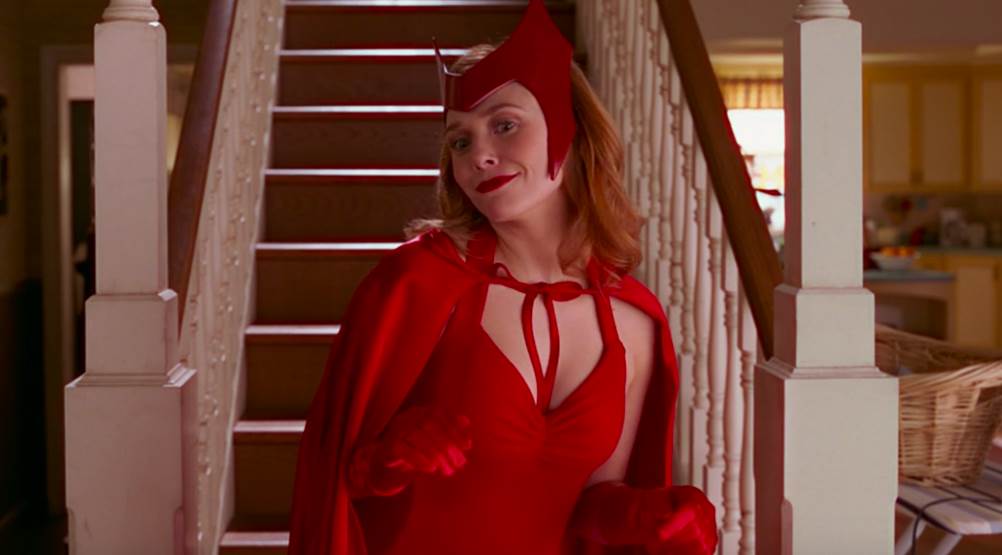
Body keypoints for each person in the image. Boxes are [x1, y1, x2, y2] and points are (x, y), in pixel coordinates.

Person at [287, 1, 717, 553]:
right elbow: (330, 481)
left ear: (570, 131)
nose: (480, 156)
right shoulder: (416, 284)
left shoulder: (634, 323)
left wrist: (649, 517)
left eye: (504, 125)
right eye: (460, 141)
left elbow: (590, 506)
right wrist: (387, 459)